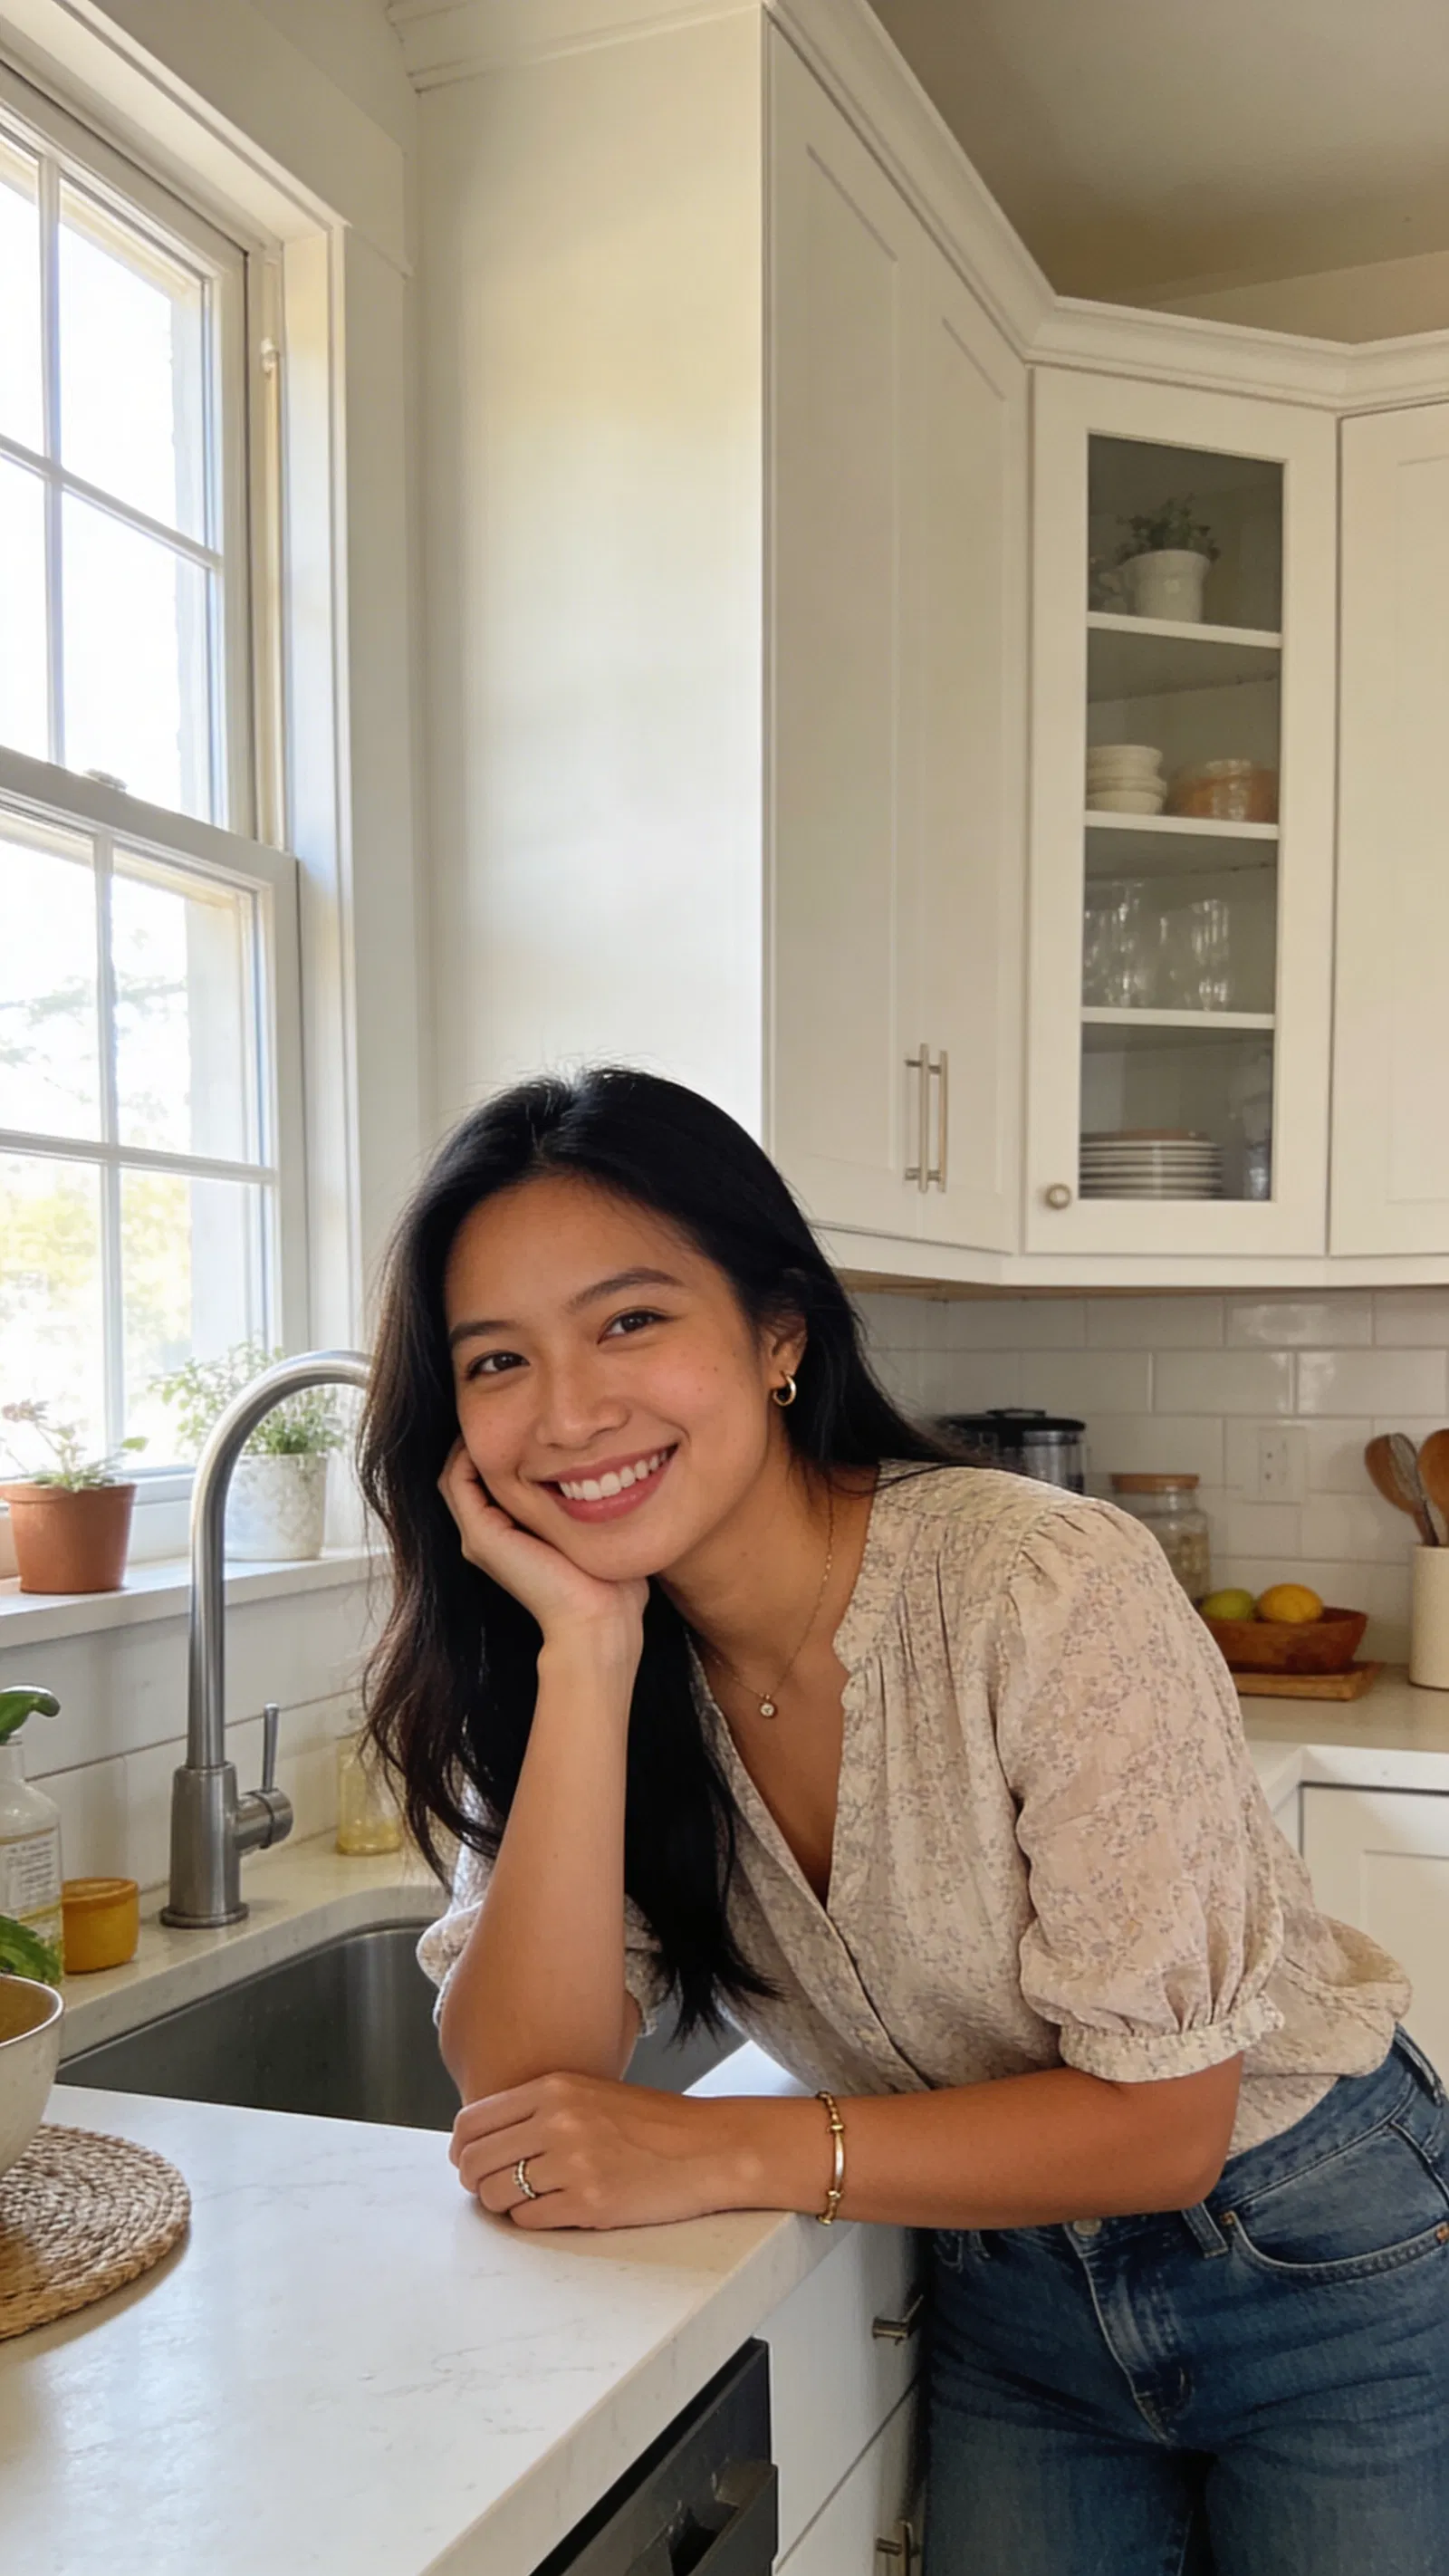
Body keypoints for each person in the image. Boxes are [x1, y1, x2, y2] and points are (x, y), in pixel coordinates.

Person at [359, 1066, 1446, 2576]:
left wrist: (725, 2151)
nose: (567, 1412)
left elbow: (1169, 2127)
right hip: (1007, 2298)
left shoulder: (1039, 1587)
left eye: (630, 1321)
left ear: (780, 1332)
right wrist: (592, 1660)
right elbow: (530, 2092)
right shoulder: (556, 1655)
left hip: (1319, 2254)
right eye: (495, 1361)